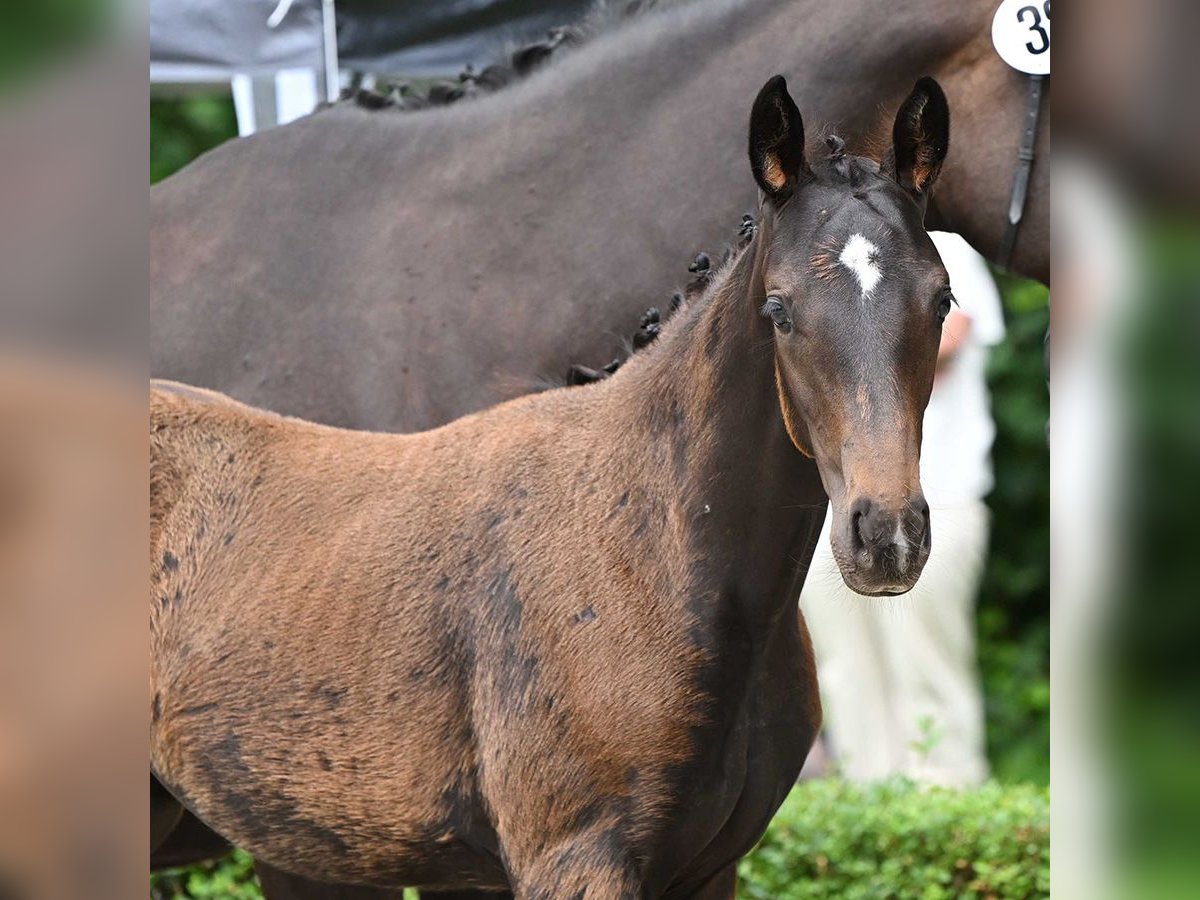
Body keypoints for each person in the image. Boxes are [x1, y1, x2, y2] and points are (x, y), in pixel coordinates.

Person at [800, 231, 1006, 786]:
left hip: (938, 497)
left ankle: (948, 807)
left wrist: (841, 341)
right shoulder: (822, 240)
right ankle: (873, 808)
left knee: (928, 671)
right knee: (844, 674)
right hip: (839, 512)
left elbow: (947, 341)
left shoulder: (945, 245)